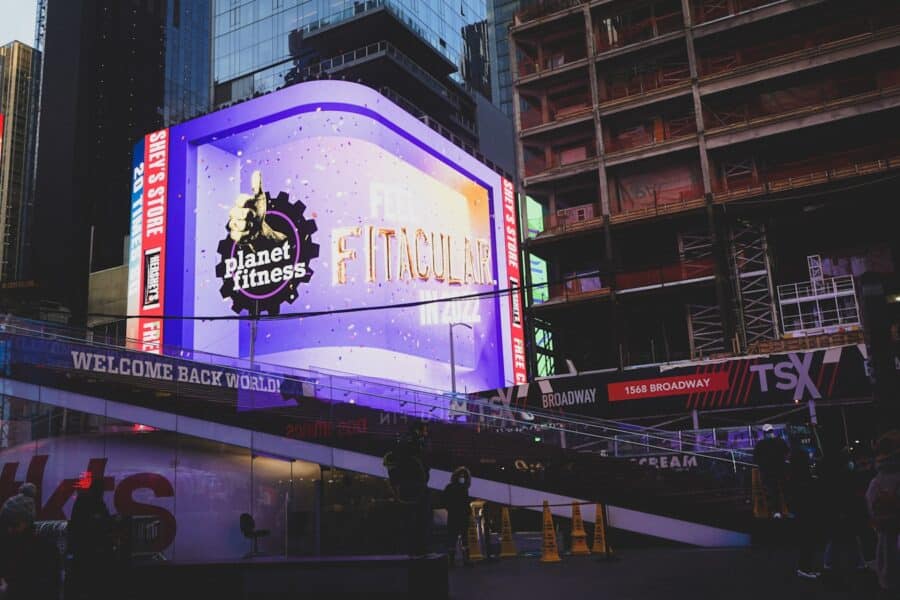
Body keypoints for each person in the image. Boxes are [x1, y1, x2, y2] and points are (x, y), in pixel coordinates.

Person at [0, 484, 60, 599]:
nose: (9, 529)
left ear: (27, 522)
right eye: (6, 523)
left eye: (14, 524)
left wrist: (9, 590)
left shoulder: (45, 551)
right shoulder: (6, 543)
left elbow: (46, 590)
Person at [383, 422, 431, 557]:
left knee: (416, 519)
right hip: (413, 484)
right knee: (418, 519)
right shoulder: (411, 444)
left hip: (412, 484)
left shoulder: (410, 444)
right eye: (424, 431)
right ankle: (418, 549)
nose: (426, 434)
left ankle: (417, 549)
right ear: (418, 430)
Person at [66, 474, 114, 600]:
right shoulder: (95, 503)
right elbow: (104, 523)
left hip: (83, 552)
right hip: (93, 552)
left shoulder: (82, 502)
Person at [866, 430, 900, 596]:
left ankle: (887, 583)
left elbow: (870, 504)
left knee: (887, 555)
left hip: (885, 526)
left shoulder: (877, 480)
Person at [753, 424, 790, 518]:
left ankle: (777, 512)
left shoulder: (760, 444)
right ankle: (788, 510)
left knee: (773, 492)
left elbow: (755, 459)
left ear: (764, 433)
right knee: (785, 490)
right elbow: (787, 453)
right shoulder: (780, 441)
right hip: (781, 471)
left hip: (767, 473)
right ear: (772, 431)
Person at [443, 467, 471, 565]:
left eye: (464, 476)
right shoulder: (463, 488)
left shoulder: (450, 487)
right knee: (462, 539)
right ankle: (465, 559)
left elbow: (445, 501)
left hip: (454, 516)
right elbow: (465, 503)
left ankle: (452, 561)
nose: (462, 478)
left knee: (453, 538)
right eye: (461, 476)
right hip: (460, 516)